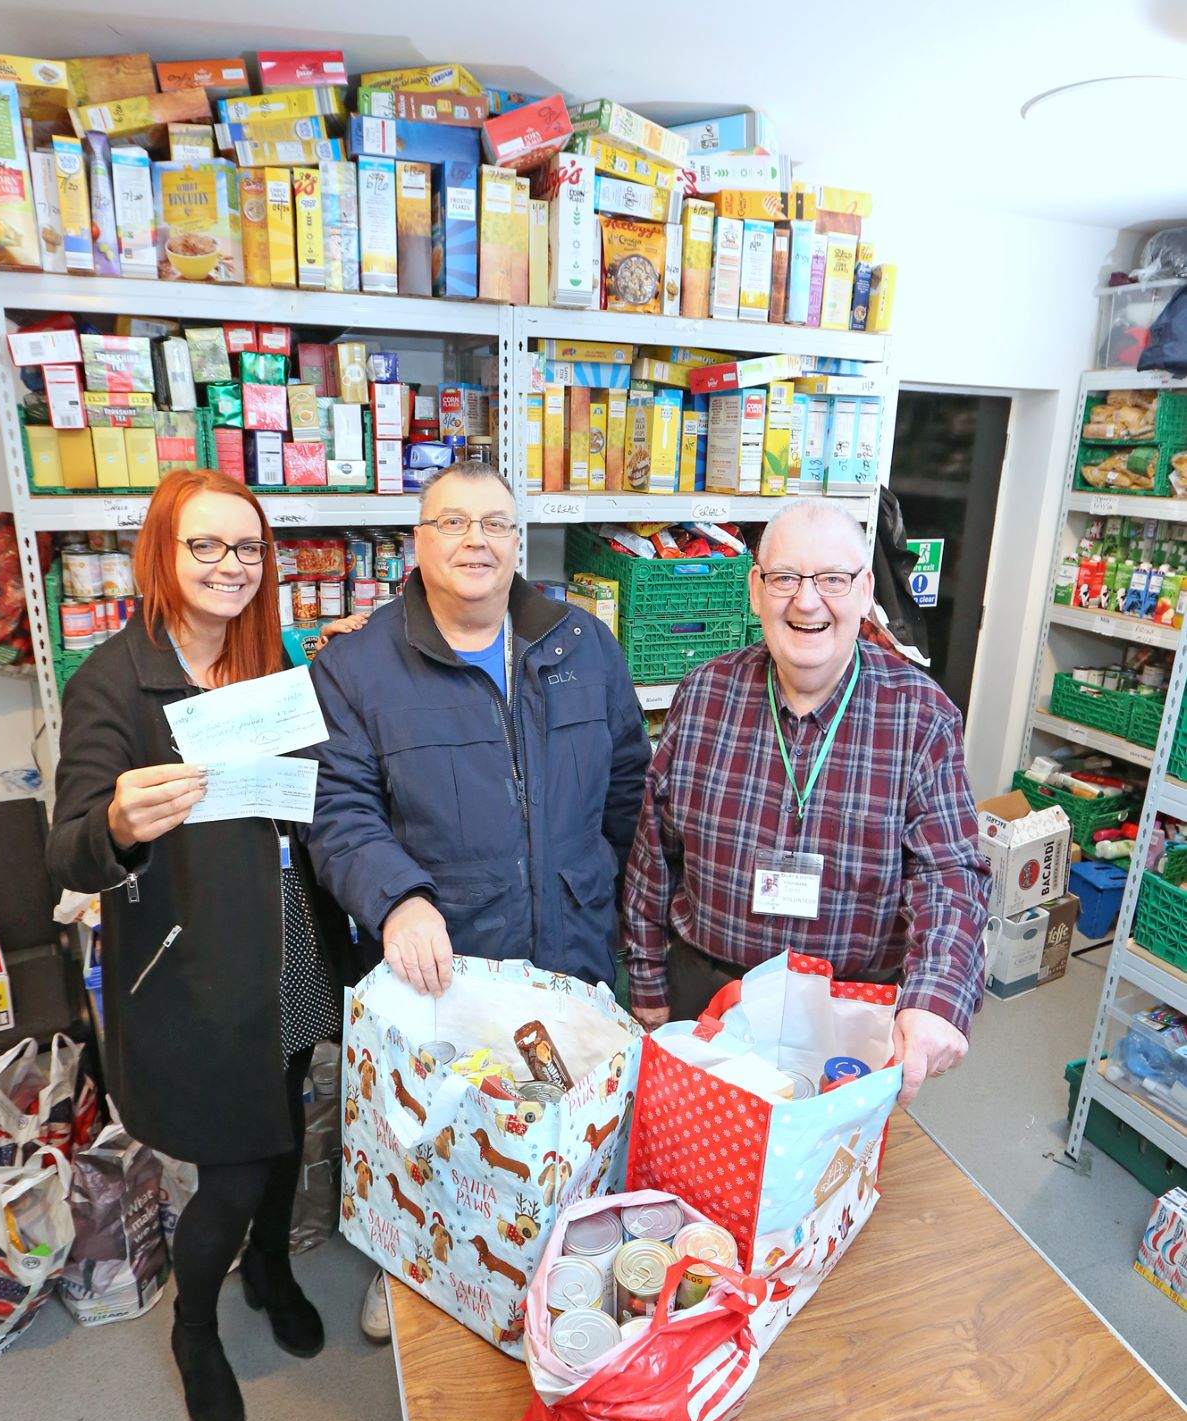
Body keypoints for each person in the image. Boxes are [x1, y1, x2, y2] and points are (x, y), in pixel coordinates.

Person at [304, 459, 650, 1339]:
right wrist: (397, 901)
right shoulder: (357, 666)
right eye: (452, 523)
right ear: (417, 544)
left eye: (495, 523)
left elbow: (625, 787)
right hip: (447, 958)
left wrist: (603, 889)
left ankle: (557, 1264)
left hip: (568, 939)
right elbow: (338, 809)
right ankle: (412, 1265)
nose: (475, 540)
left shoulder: (582, 646)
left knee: (562, 1110)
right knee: (440, 1133)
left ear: (517, 543)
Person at [46, 469, 348, 1421]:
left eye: (248, 549)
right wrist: (120, 823)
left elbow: (304, 791)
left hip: (289, 941)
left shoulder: (270, 661)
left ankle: (272, 1265)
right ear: (161, 556)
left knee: (289, 1119)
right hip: (195, 967)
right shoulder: (113, 679)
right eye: (205, 547)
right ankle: (194, 1325)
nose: (231, 567)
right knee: (234, 1166)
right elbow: (67, 844)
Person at [622, 499, 988, 1107]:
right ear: (755, 590)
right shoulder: (704, 694)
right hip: (706, 1003)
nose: (807, 600)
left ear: (865, 589)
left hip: (845, 1024)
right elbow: (653, 853)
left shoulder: (920, 715)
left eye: (833, 579)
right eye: (785, 577)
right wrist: (648, 984)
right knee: (693, 1185)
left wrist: (936, 999)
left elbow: (950, 874)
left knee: (820, 1192)